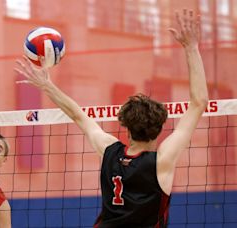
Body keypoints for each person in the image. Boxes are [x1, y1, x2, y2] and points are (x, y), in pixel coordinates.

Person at [15, 9, 208, 227]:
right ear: (159, 129)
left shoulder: (110, 151)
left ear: (125, 127)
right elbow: (198, 103)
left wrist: (46, 86)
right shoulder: (161, 162)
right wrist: (191, 48)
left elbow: (78, 115)